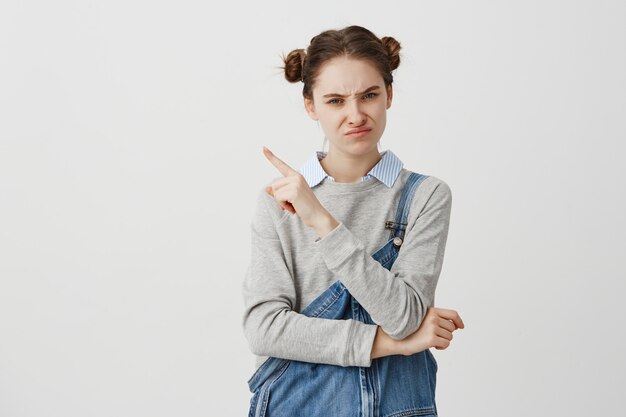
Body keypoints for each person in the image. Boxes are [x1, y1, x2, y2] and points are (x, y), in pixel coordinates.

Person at [241, 25, 465, 417]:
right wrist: (392, 344)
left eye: (369, 95)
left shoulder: (425, 196)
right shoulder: (277, 203)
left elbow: (405, 316)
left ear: (389, 95)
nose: (355, 115)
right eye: (335, 101)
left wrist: (322, 221)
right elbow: (265, 329)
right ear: (310, 106)